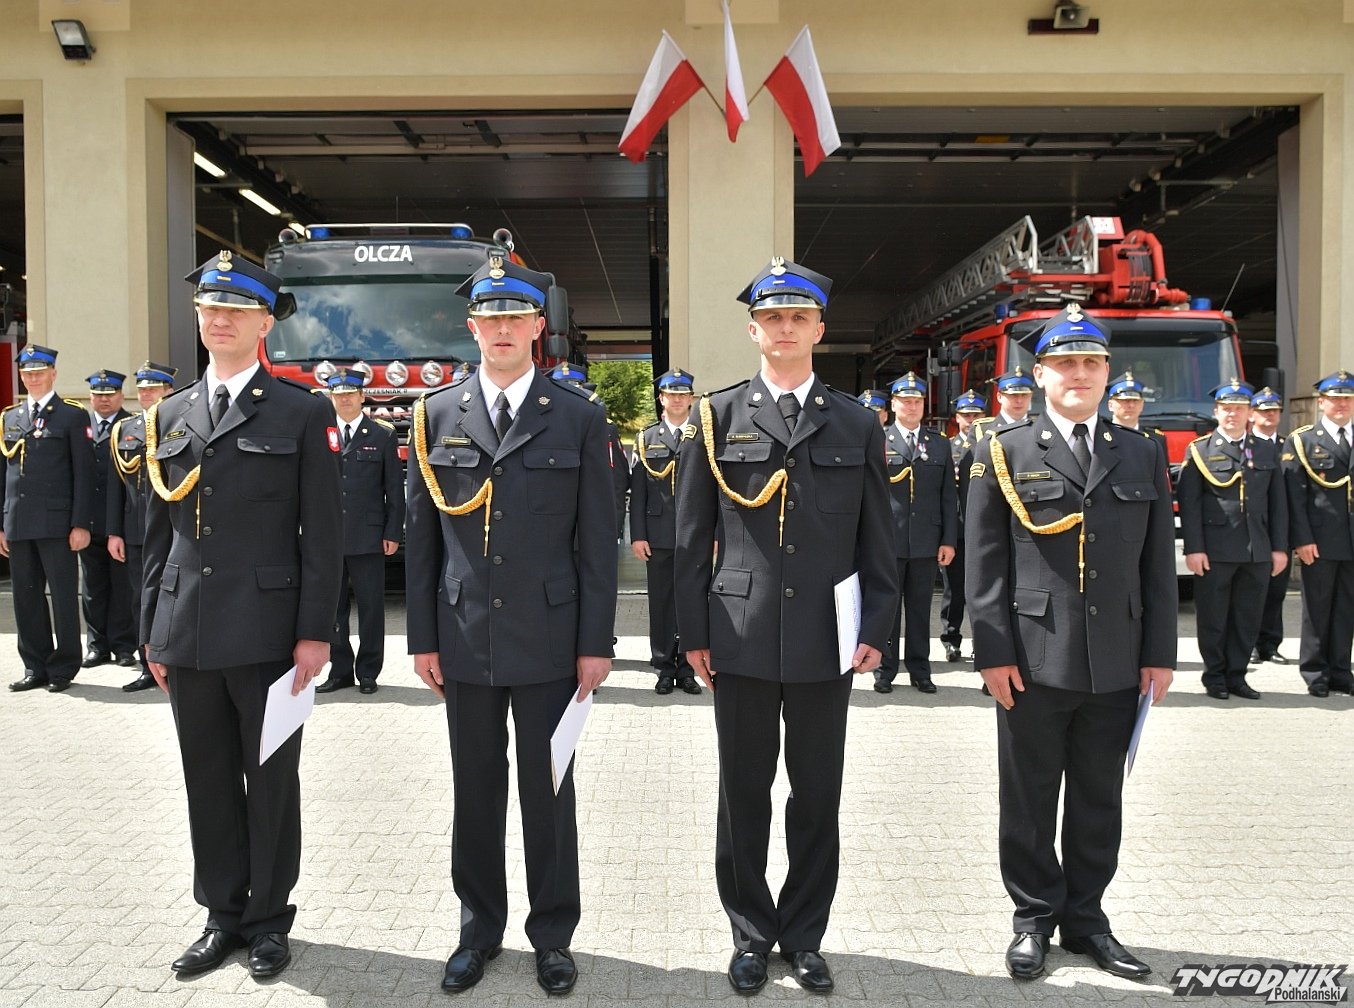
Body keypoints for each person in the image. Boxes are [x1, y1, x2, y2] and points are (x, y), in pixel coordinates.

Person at [674, 257, 897, 996]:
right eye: (773, 318)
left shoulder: (857, 421)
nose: (786, 328)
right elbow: (690, 537)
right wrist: (693, 633)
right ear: (754, 331)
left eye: (799, 317)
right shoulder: (716, 417)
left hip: (827, 637)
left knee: (817, 795)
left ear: (820, 329)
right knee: (743, 792)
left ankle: (803, 936)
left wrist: (878, 626)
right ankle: (748, 933)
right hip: (738, 631)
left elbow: (877, 536)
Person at [406, 251, 616, 996]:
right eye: (489, 317)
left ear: (537, 328)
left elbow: (597, 543)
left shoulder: (579, 416)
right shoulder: (434, 415)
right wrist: (422, 638)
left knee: (548, 791)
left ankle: (552, 935)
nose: (501, 328)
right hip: (463, 636)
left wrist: (595, 643)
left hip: (552, 640)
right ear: (472, 328)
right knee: (475, 790)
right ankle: (478, 931)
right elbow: (423, 537)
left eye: (515, 317)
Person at [142, 251, 342, 979]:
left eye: (235, 309)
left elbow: (323, 535)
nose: (219, 319)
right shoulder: (168, 413)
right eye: (209, 308)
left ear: (264, 323)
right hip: (188, 629)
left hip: (268, 632)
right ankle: (220, 915)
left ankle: (267, 920)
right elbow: (156, 534)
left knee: (271, 781)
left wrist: (315, 633)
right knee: (207, 780)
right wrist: (152, 631)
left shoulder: (302, 411)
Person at [966, 304, 1175, 981]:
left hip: (1116, 657)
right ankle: (1033, 919)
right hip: (1032, 657)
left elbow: (1156, 564)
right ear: (1040, 374)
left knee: (1098, 799)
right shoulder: (1004, 450)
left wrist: (1160, 654)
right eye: (1064, 363)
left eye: (1091, 362)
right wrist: (993, 653)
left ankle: (1087, 921)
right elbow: (985, 562)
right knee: (1029, 798)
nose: (1078, 373)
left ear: (1107, 372)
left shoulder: (1140, 450)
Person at [1178, 380, 1287, 700]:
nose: (1232, 414)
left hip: (1257, 548)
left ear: (1250, 413)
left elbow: (1278, 504)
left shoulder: (1265, 449)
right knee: (1213, 617)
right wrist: (1194, 548)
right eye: (1226, 409)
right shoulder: (1200, 450)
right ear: (1216, 412)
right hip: (1216, 549)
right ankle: (1215, 677)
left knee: (1247, 617)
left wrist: (1279, 548)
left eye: (1239, 409)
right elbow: (1190, 505)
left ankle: (1237, 677)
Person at [1, 345, 95, 693]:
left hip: (58, 524)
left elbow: (84, 475)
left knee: (63, 596)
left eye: (40, 372)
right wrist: (2, 523)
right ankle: (35, 665)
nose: (33, 378)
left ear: (53, 373)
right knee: (25, 598)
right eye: (27, 373)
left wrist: (81, 523)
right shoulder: (10, 417)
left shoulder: (71, 415)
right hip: (19, 522)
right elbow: (3, 475)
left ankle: (64, 666)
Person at [315, 367, 403, 696]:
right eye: (339, 395)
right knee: (333, 609)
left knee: (371, 609)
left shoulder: (382, 434)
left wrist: (393, 532)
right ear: (331, 398)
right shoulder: (319, 434)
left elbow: (394, 490)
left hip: (369, 537)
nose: (345, 400)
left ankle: (368, 671)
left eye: (351, 394)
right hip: (329, 538)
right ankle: (339, 671)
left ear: (362, 396)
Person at [876, 371, 957, 695]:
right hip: (888, 541)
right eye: (905, 401)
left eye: (917, 401)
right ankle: (885, 670)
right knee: (887, 609)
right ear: (894, 404)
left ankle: (920, 670)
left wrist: (948, 539)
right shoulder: (879, 441)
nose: (911, 407)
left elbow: (948, 497)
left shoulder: (939, 443)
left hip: (926, 542)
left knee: (921, 611)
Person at [1281, 370, 1354, 698]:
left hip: (1351, 540)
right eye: (1335, 399)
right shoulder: (1303, 441)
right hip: (1320, 540)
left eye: (1347, 398)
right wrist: (1302, 539)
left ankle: (1341, 670)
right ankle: (1315, 671)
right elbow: (1294, 497)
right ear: (1321, 402)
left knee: (1347, 608)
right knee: (1318, 608)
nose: (1342, 404)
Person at [107, 361, 177, 692]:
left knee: (176, 596)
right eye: (142, 389)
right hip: (137, 531)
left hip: (175, 530)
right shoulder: (125, 428)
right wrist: (114, 531)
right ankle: (147, 665)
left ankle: (176, 660)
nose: (146, 394)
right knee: (141, 599)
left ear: (168, 391)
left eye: (153, 389)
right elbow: (116, 487)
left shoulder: (180, 423)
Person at [630, 368, 700, 695]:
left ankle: (687, 668)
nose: (677, 400)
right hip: (657, 535)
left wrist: (715, 534)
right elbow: (638, 493)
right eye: (671, 395)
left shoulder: (702, 435)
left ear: (691, 399)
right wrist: (638, 535)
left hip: (694, 535)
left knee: (692, 602)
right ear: (661, 399)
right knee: (660, 605)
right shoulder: (646, 439)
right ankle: (663, 667)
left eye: (682, 395)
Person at [82, 369, 138, 670]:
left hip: (120, 522)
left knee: (121, 588)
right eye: (98, 394)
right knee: (93, 587)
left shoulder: (131, 425)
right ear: (90, 396)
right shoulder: (80, 425)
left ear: (121, 395)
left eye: (110, 394)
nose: (104, 399)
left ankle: (123, 646)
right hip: (89, 521)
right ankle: (96, 646)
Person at [940, 388, 987, 663]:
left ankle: (982, 642)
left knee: (984, 590)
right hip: (957, 529)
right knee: (954, 590)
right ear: (957, 418)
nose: (971, 420)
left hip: (985, 530)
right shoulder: (948, 447)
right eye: (966, 415)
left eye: (976, 415)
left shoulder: (991, 445)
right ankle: (951, 639)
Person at [1249, 387, 1293, 665]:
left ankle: (1270, 644)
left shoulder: (1289, 446)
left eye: (1274, 411)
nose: (1269, 416)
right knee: (1252, 592)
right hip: (1255, 528)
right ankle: (1251, 643)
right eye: (1264, 411)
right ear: (1252, 414)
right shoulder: (1246, 445)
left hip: (1282, 529)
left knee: (1277, 591)